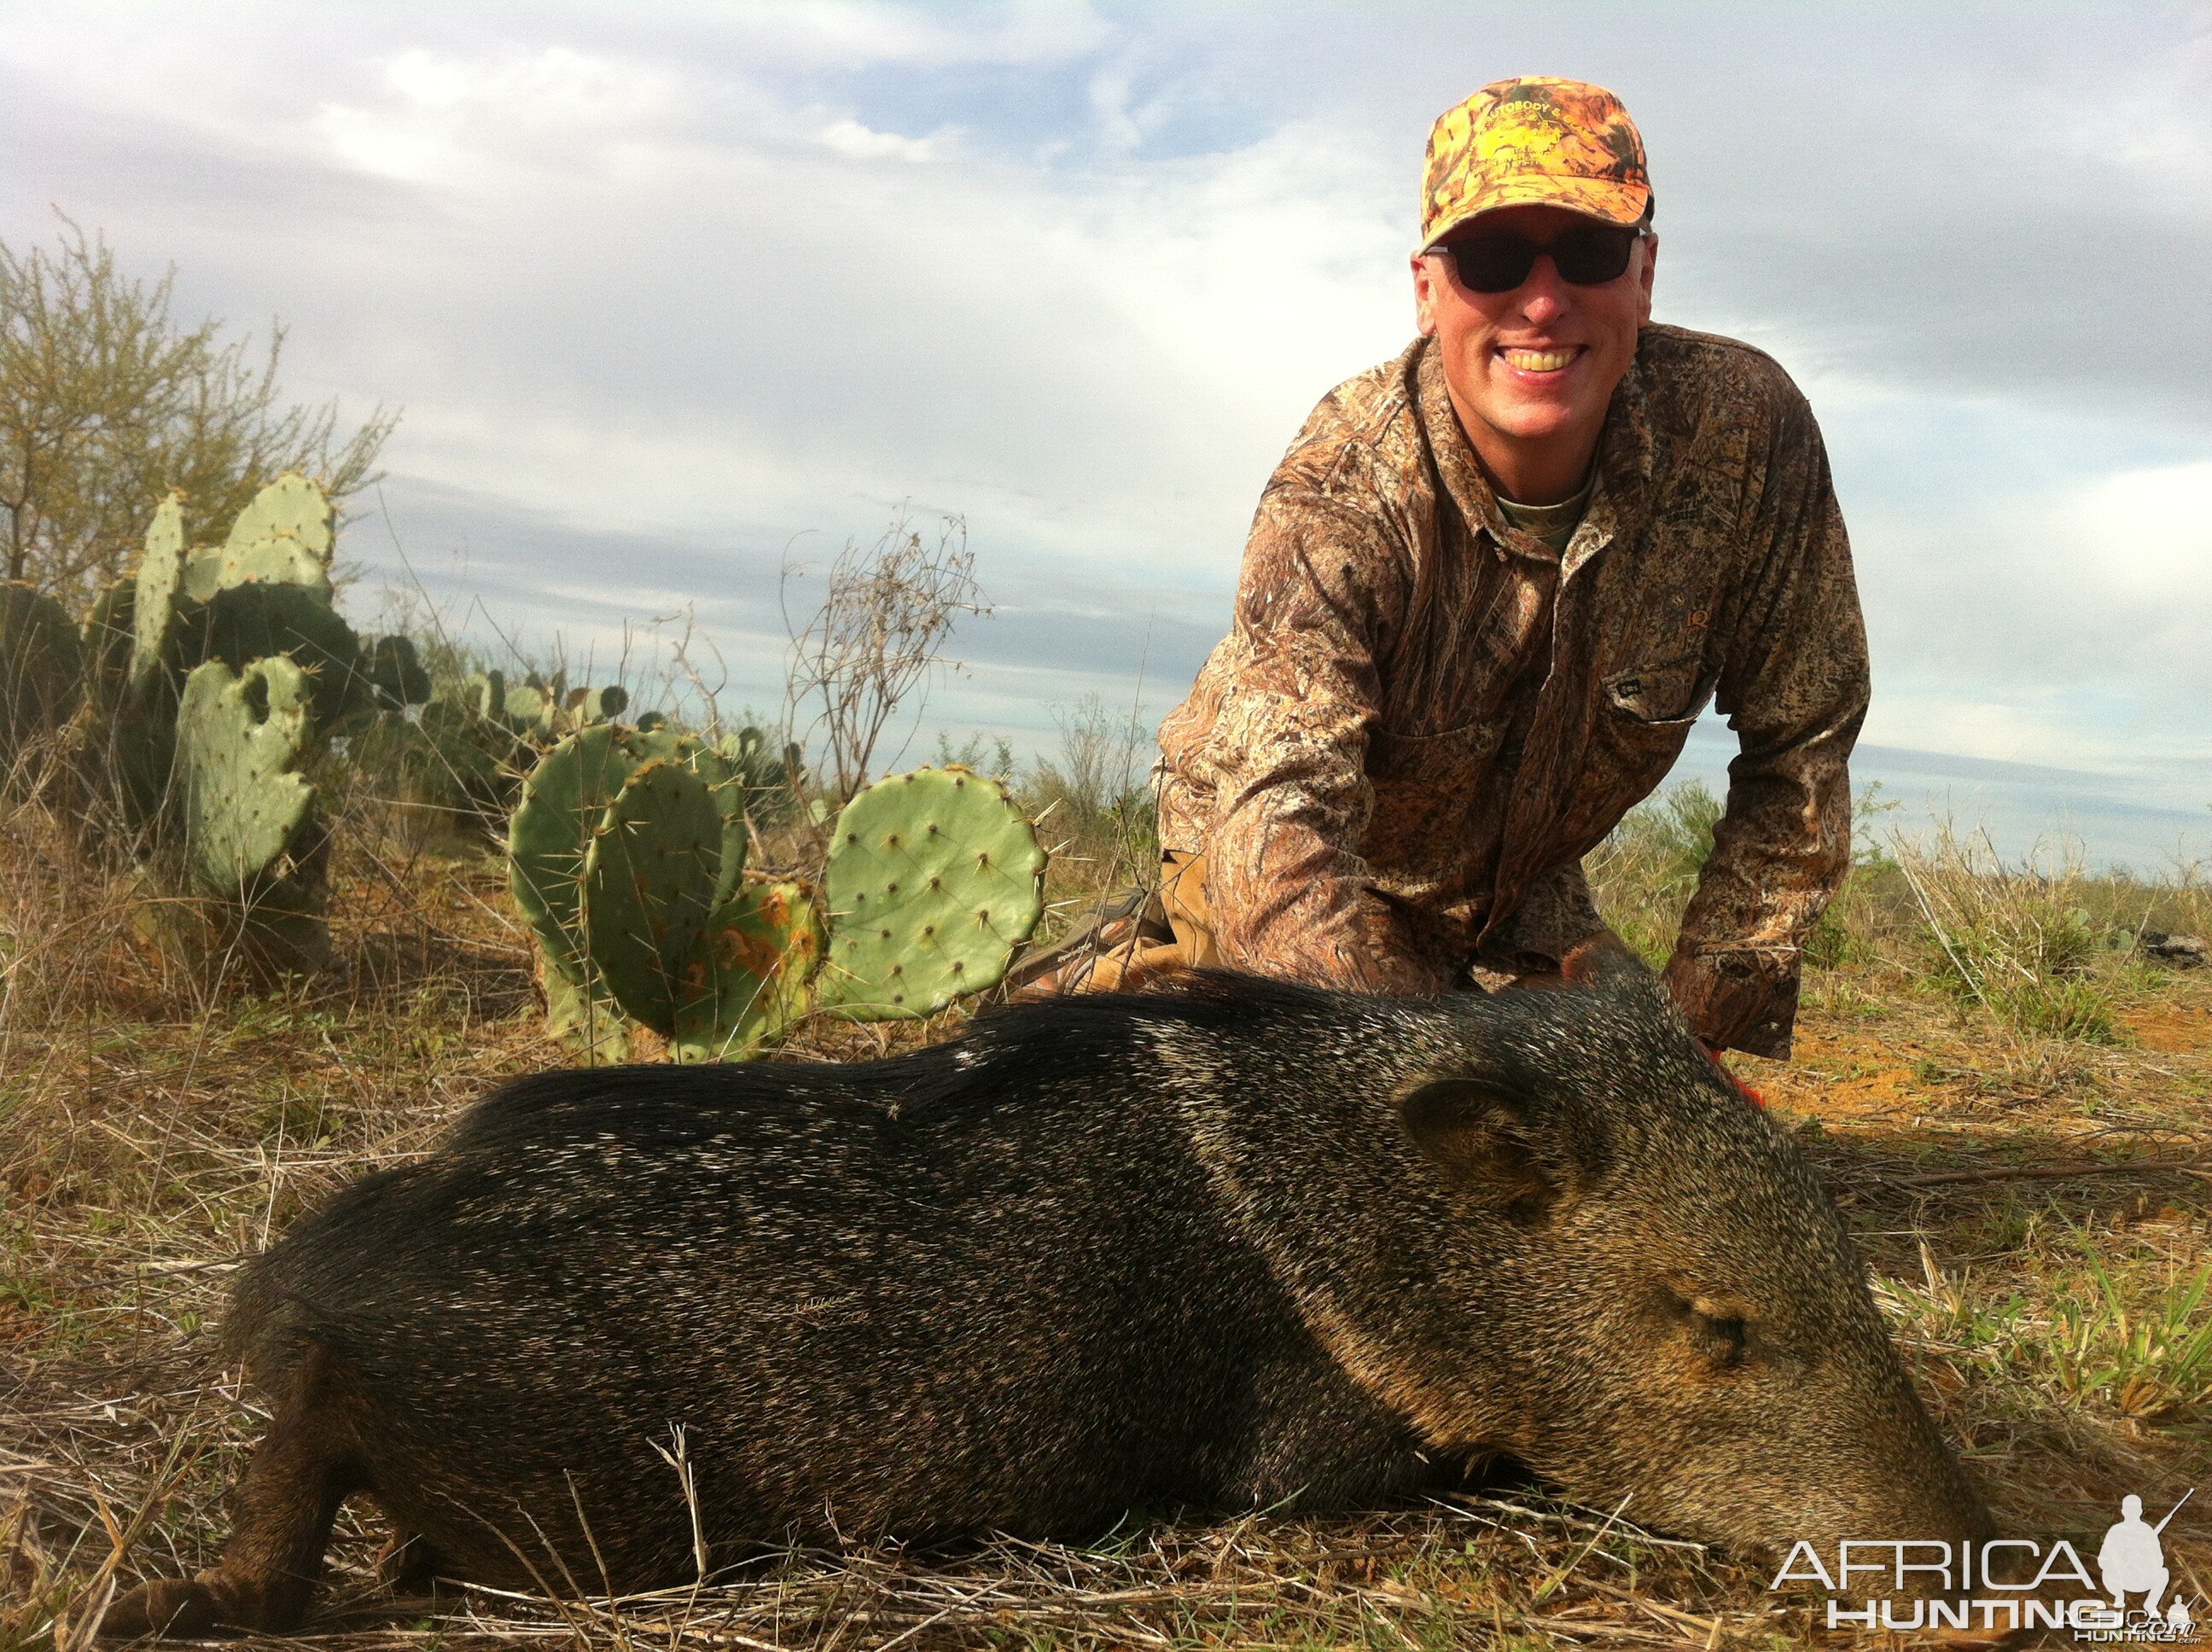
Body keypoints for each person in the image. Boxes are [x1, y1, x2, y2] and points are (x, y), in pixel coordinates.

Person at [1077, 75, 1868, 1061]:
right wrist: (1413, 1084)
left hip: (1515, 896)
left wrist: (1692, 1052)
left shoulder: (1748, 438)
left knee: (1612, 1107)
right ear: (1425, 291)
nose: (1543, 301)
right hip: (1292, 877)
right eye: (1492, 259)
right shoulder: (1344, 488)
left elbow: (1804, 747)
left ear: (1646, 272)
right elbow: (1277, 829)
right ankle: (1122, 982)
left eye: (1588, 251)